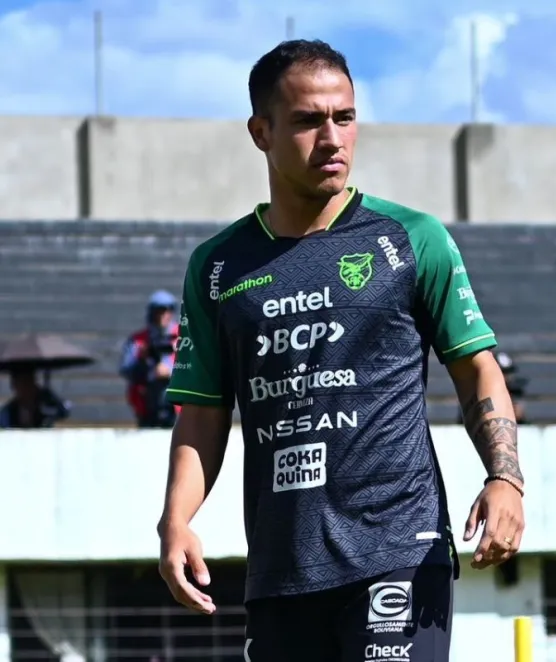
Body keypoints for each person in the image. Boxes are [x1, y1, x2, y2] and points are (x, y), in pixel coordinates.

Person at [156, 39, 525, 662]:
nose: (332, 138)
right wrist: (176, 519)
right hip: (282, 567)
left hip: (398, 551)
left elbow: (476, 369)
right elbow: (202, 413)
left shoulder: (411, 238)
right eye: (307, 120)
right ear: (261, 131)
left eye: (344, 117)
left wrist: (506, 477)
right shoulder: (217, 267)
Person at [120, 290, 181, 428]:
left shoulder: (184, 336)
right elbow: (126, 369)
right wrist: (145, 363)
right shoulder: (138, 340)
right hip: (147, 404)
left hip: (178, 407)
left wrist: (171, 371)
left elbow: (196, 366)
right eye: (158, 311)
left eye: (167, 310)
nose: (163, 315)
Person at [0, 366, 70, 428]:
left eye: (29, 382)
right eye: (22, 384)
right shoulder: (8, 412)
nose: (26, 389)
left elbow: (63, 412)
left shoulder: (46, 404)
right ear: (14, 386)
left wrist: (48, 395)